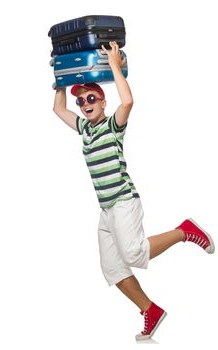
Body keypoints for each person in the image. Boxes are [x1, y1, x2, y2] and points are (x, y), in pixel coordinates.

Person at [52, 41, 214, 341]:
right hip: (106, 210)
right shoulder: (85, 130)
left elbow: (127, 102)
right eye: (82, 100)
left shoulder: (113, 125)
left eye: (91, 97)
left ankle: (185, 230)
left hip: (124, 201)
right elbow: (57, 108)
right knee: (112, 269)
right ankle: (149, 310)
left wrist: (114, 65)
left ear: (102, 102)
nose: (85, 102)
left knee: (134, 253)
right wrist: (61, 77)